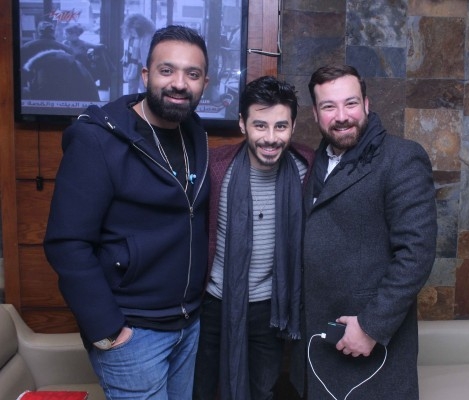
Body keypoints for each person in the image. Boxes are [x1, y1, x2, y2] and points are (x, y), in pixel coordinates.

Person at [43, 25, 211, 400]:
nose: (179, 83)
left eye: (192, 73)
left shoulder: (194, 132)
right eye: (167, 70)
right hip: (134, 334)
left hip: (187, 325)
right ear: (146, 75)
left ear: (205, 82)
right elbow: (66, 243)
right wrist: (108, 329)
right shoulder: (97, 139)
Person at [293, 64, 437, 399]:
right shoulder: (316, 161)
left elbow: (416, 253)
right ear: (315, 114)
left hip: (366, 340)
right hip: (318, 340)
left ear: (367, 104)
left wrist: (372, 326)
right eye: (329, 107)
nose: (342, 116)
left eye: (351, 103)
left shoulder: (401, 158)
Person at [193, 76, 314, 400]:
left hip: (269, 308)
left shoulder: (307, 168)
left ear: (293, 126)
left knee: (264, 390)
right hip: (215, 303)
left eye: (281, 126)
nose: (271, 138)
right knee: (203, 390)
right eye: (260, 125)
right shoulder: (216, 167)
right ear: (242, 124)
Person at [121, 13, 156, 94]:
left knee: (144, 88)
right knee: (132, 88)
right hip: (132, 66)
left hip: (143, 66)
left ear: (140, 27)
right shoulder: (131, 37)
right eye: (130, 30)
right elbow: (128, 51)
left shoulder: (148, 37)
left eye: (133, 30)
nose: (131, 32)